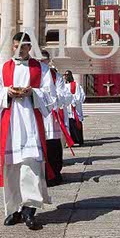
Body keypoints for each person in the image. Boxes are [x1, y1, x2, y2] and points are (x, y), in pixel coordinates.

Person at [0, 32, 56, 230]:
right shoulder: (2, 69)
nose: (19, 50)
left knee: (31, 166)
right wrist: (7, 92)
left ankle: (29, 210)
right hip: (10, 125)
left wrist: (33, 92)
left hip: (31, 124)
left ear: (29, 48)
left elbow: (50, 95)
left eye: (23, 47)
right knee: (12, 167)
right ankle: (14, 210)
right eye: (16, 46)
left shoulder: (41, 69)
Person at [40, 50, 73, 186]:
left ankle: (54, 175)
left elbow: (65, 95)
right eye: (39, 60)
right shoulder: (30, 74)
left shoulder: (55, 76)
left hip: (51, 118)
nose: (42, 62)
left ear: (49, 61)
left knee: (53, 147)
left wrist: (53, 99)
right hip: (36, 117)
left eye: (44, 60)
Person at [64, 70, 86, 147]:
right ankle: (71, 141)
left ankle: (79, 140)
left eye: (68, 75)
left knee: (76, 123)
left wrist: (73, 101)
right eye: (65, 75)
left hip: (75, 108)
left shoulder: (76, 85)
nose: (66, 76)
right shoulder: (63, 85)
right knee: (69, 124)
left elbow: (80, 95)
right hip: (67, 108)